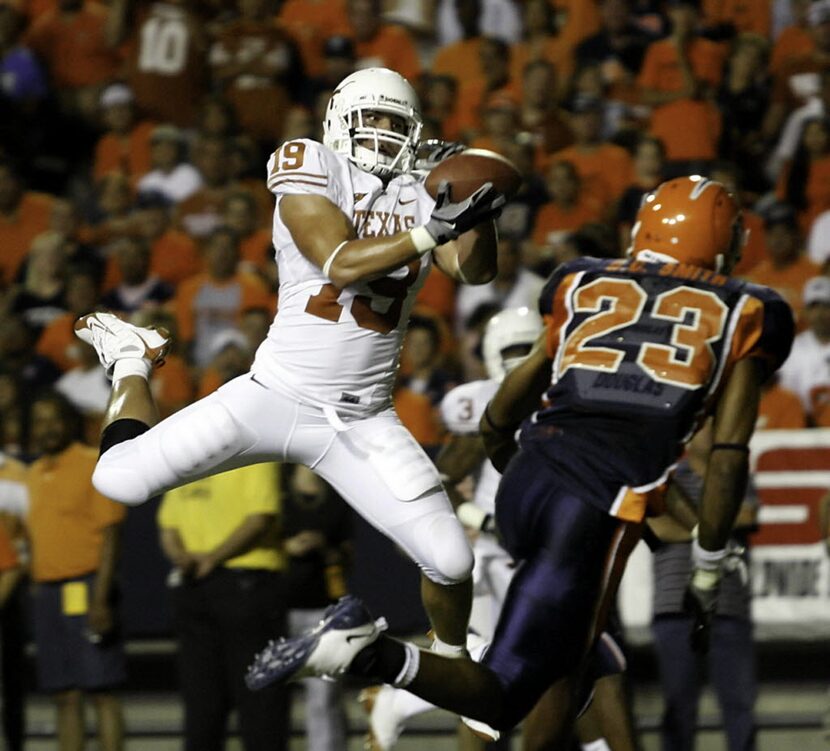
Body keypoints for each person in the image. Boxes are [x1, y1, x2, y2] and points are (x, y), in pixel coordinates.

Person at [245, 175, 795, 749]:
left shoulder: (585, 279)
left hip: (529, 478)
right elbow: (729, 456)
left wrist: (525, 471)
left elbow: (502, 411)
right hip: (589, 505)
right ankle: (370, 653)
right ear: (721, 239)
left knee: (569, 664)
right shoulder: (745, 309)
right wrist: (708, 567)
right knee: (505, 694)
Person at [75, 67, 505, 663]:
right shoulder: (309, 161)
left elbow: (475, 271)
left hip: (362, 419)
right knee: (116, 479)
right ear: (339, 122)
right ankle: (131, 359)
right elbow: (339, 260)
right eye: (371, 118)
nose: (383, 133)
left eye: (395, 122)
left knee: (454, 561)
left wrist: (478, 211)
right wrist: (432, 230)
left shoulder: (422, 185)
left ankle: (453, 660)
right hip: (275, 394)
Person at [158, 460, 288, 751]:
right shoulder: (186, 459)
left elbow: (261, 518)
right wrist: (183, 557)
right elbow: (168, 526)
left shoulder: (253, 451)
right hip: (196, 587)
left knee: (259, 703)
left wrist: (210, 557)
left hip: (246, 587)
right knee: (202, 705)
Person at [25, 391, 127, 751]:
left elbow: (112, 535)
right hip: (48, 595)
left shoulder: (89, 464)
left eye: (54, 419)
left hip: (86, 589)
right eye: (39, 420)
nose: (47, 428)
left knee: (101, 691)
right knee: (63, 694)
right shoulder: (33, 473)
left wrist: (101, 599)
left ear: (69, 422)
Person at [648, 420, 758, 751]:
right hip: (675, 608)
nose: (713, 433)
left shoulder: (734, 474)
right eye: (706, 427)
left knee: (740, 708)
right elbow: (659, 528)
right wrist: (713, 530)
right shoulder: (665, 477)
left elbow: (748, 515)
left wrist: (689, 525)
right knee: (678, 708)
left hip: (728, 609)